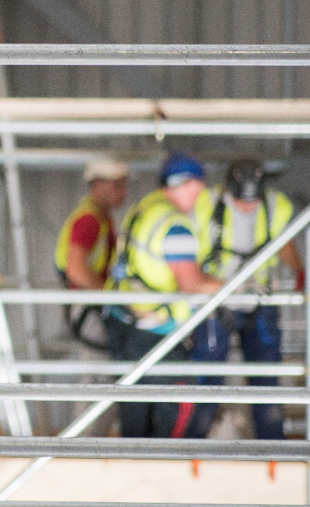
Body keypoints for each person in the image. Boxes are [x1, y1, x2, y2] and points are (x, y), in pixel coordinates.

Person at [105, 151, 224, 438]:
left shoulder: (145, 208)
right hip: (156, 331)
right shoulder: (175, 225)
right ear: (187, 184)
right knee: (176, 409)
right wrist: (233, 287)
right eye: (198, 188)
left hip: (127, 320)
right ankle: (166, 472)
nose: (199, 196)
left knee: (135, 409)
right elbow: (191, 284)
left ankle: (135, 471)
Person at [186, 157, 305, 440]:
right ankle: (192, 451)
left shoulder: (275, 205)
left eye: (252, 202)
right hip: (216, 301)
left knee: (266, 381)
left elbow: (284, 242)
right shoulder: (206, 204)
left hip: (258, 301)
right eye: (241, 201)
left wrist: (300, 273)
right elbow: (190, 250)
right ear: (229, 190)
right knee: (206, 381)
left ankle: (273, 454)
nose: (247, 207)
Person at [54, 159, 129, 348]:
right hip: (89, 306)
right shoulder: (90, 220)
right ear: (98, 185)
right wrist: (112, 299)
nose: (123, 193)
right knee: (100, 373)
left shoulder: (100, 218)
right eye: (116, 186)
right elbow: (76, 270)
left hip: (90, 303)